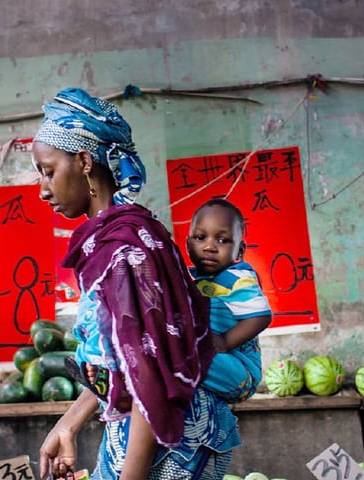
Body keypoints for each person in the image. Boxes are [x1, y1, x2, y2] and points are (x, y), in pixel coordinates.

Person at [32, 87, 240, 480]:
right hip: (160, 438)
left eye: (48, 170)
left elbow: (152, 376)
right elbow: (130, 362)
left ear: (83, 161)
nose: (43, 189)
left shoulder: (125, 251)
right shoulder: (130, 238)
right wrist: (69, 423)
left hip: (165, 447)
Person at [186, 199, 272, 403]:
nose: (209, 247)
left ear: (240, 251)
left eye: (223, 240)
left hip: (240, 372)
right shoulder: (189, 278)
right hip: (218, 364)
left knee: (179, 352)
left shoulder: (237, 278)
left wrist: (226, 341)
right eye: (200, 237)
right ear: (188, 244)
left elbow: (261, 316)